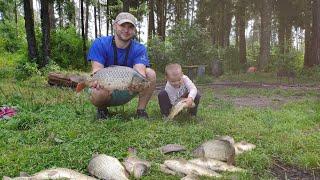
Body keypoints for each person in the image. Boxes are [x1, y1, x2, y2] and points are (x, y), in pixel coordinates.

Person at [87, 12, 156, 119]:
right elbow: (97, 71)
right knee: (97, 92)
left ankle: (141, 111)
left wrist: (137, 84)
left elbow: (140, 73)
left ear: (134, 30)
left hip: (128, 89)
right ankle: (102, 109)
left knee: (150, 74)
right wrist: (96, 82)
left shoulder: (140, 48)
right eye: (122, 25)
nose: (126, 30)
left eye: (130, 27)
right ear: (115, 26)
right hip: (106, 89)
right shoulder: (100, 43)